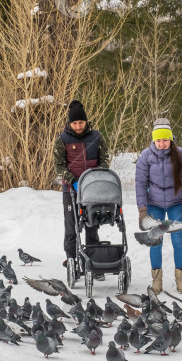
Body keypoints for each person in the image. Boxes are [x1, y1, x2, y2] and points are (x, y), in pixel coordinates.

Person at [135, 119, 182, 294]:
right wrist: (142, 210)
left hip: (177, 203)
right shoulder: (146, 156)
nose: (162, 144)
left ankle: (180, 279)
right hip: (155, 204)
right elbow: (140, 183)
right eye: (158, 140)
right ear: (153, 140)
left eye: (165, 140)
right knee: (156, 241)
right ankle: (156, 279)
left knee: (178, 241)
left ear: (171, 139)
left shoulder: (181, 155)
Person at [54, 100, 109, 274]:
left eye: (81, 122)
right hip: (71, 189)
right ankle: (72, 260)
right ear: (70, 123)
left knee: (92, 225)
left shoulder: (96, 137)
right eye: (75, 123)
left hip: (93, 190)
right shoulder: (62, 139)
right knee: (72, 226)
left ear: (86, 122)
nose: (78, 126)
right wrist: (73, 181)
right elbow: (59, 166)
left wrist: (98, 177)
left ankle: (92, 261)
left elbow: (105, 160)